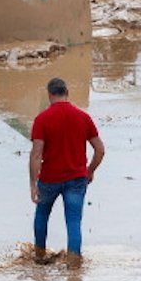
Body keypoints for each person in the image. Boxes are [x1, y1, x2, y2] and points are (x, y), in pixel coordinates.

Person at [30, 78, 105, 266]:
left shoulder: (42, 119)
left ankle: (39, 255)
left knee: (42, 214)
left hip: (49, 178)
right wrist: (89, 171)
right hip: (76, 178)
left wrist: (33, 184)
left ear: (49, 94)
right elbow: (100, 150)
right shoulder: (83, 117)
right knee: (73, 221)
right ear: (67, 93)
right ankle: (74, 262)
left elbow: (36, 154)